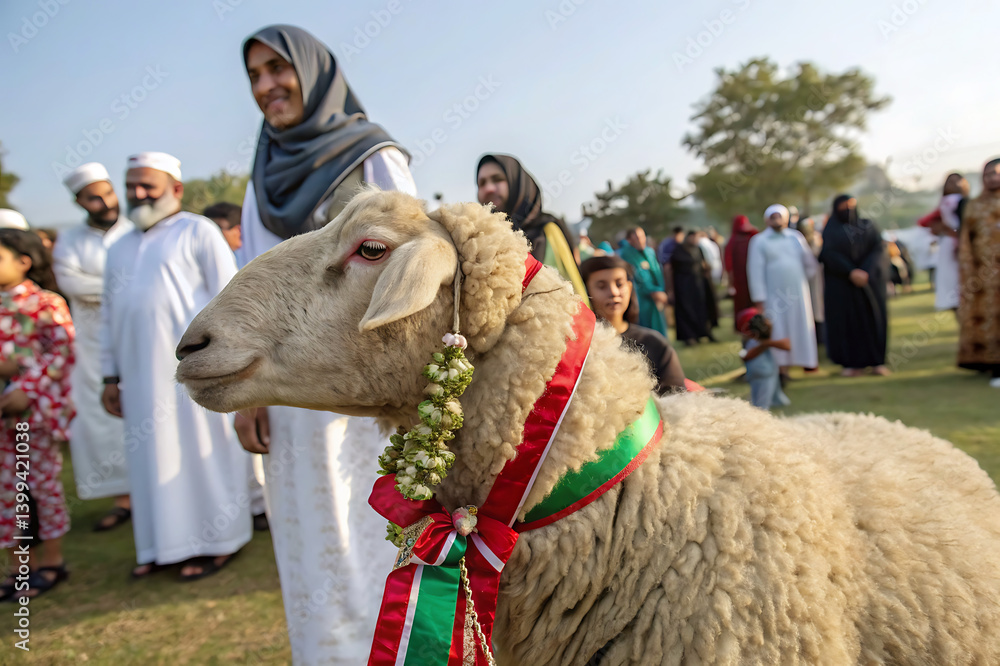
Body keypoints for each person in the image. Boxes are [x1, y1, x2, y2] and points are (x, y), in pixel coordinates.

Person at [236, 25, 418, 663]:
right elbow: (251, 284)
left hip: (370, 384)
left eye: (277, 70)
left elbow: (413, 262)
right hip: (290, 392)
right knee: (311, 529)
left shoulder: (371, 155)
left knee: (377, 518)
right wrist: (246, 391)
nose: (266, 87)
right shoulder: (262, 178)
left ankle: (396, 647)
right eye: (255, 75)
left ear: (313, 73)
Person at [100, 152, 251, 580]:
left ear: (176, 189)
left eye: (148, 185)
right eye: (131, 186)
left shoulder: (197, 230)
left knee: (202, 452)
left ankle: (220, 543)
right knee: (150, 457)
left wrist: (232, 362)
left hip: (197, 371)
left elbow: (231, 296)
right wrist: (110, 375)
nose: (138, 193)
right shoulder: (119, 246)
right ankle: (160, 546)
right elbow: (110, 315)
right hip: (138, 376)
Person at [53, 162, 135, 531]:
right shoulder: (69, 240)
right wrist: (122, 284)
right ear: (79, 201)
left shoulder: (136, 230)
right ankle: (123, 498)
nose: (103, 201)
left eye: (107, 192)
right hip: (90, 342)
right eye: (93, 197)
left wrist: (105, 285)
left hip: (139, 334)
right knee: (104, 417)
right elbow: (71, 283)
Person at [0, 229, 74, 600]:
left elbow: (60, 355)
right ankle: (17, 569)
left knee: (38, 488)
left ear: (23, 262)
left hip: (32, 416)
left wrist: (24, 390)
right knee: (6, 492)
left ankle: (51, 562)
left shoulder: (47, 305)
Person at [476, 154, 589, 306]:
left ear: (517, 184)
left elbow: (574, 298)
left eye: (497, 179)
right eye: (482, 183)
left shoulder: (546, 231)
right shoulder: (479, 241)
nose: (488, 188)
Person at [580, 255, 685, 394]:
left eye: (619, 284)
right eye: (601, 286)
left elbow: (675, 397)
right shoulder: (579, 349)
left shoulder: (653, 343)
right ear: (584, 291)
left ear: (629, 288)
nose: (613, 292)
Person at [819, 194, 889, 377]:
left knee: (873, 320)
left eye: (851, 206)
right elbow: (829, 254)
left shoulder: (868, 225)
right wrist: (850, 271)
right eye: (844, 207)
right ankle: (851, 363)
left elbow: (878, 249)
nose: (848, 210)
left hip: (869, 283)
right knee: (848, 324)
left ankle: (876, 361)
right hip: (843, 285)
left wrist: (865, 271)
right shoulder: (831, 229)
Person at [747, 204, 818, 377]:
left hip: (797, 293)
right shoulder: (759, 241)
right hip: (773, 295)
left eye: (780, 216)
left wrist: (800, 280)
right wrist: (759, 298)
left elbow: (809, 263)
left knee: (800, 325)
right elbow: (754, 271)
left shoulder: (795, 237)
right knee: (778, 328)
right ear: (767, 220)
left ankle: (805, 362)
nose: (777, 220)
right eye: (773, 217)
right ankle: (781, 369)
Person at [957, 158, 1000, 387]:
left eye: (996, 173)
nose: (993, 177)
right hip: (985, 277)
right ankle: (994, 367)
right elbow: (966, 241)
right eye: (988, 174)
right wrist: (968, 271)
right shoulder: (974, 205)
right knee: (991, 320)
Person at [736, 307, 791, 410]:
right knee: (761, 403)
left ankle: (773, 402)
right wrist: (764, 345)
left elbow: (787, 345)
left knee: (761, 396)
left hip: (763, 372)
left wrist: (766, 343)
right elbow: (746, 356)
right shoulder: (755, 343)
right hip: (764, 372)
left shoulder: (758, 342)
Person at [619, 226, 668, 334]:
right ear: (629, 240)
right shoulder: (626, 254)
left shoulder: (649, 251)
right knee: (646, 329)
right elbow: (639, 275)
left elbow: (656, 271)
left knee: (659, 325)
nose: (641, 240)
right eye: (636, 237)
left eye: (642, 236)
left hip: (656, 294)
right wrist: (653, 291)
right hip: (641, 297)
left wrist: (660, 290)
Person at [932, 173, 969, 312]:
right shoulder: (949, 201)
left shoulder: (964, 201)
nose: (954, 184)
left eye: (957, 181)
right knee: (952, 280)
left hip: (959, 242)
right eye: (951, 181)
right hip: (952, 243)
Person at [670, 231, 713, 345]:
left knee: (701, 310)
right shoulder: (679, 249)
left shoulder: (698, 249)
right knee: (686, 311)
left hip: (698, 285)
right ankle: (689, 337)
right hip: (684, 286)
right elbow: (673, 268)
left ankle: (702, 333)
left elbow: (702, 263)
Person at [795, 216, 825, 344]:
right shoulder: (796, 240)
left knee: (818, 307)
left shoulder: (817, 238)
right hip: (802, 278)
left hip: (818, 279)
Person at [724, 215, 758, 328]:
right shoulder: (733, 241)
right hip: (740, 279)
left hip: (753, 276)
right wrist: (730, 279)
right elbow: (728, 262)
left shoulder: (752, 236)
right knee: (741, 303)